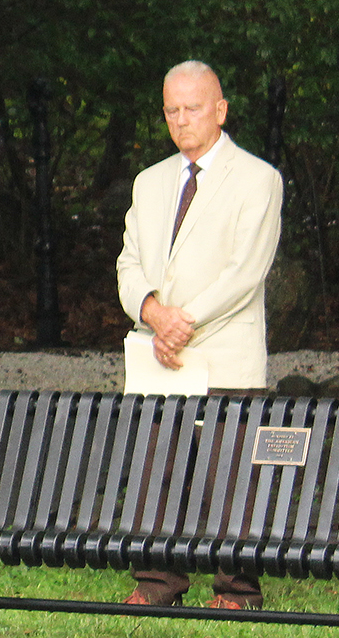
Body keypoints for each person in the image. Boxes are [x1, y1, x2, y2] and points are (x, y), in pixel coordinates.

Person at [114, 59, 283, 609]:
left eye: (192, 108)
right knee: (152, 474)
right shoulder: (150, 181)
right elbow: (129, 265)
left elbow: (245, 273)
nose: (182, 120)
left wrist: (180, 322)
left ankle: (237, 590)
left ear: (220, 109)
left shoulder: (259, 179)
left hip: (226, 354)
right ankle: (156, 584)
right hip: (158, 355)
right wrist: (153, 314)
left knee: (231, 478)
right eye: (172, 110)